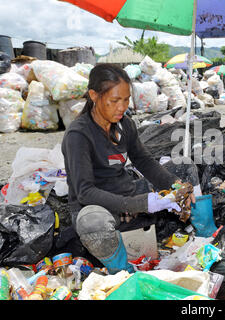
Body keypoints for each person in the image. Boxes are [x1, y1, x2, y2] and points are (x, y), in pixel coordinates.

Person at [61, 63, 195, 274]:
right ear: (94, 96)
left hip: (127, 194)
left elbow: (144, 161)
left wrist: (176, 186)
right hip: (101, 206)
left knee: (185, 168)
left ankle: (205, 234)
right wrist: (141, 203)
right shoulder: (79, 135)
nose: (122, 107)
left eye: (125, 99)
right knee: (92, 222)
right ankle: (122, 272)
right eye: (114, 101)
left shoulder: (125, 125)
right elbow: (84, 192)